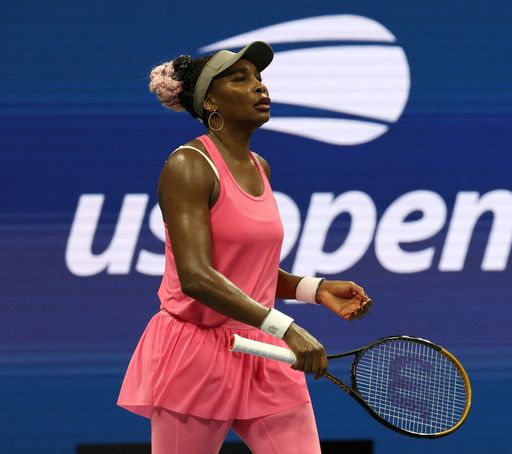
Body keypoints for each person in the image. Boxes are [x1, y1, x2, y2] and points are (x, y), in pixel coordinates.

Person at [117, 41, 372, 454]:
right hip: (195, 354)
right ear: (210, 101)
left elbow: (245, 272)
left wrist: (314, 289)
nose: (259, 88)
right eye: (240, 79)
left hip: (262, 348)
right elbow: (198, 277)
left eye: (259, 79)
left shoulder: (260, 166)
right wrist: (285, 327)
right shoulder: (188, 166)